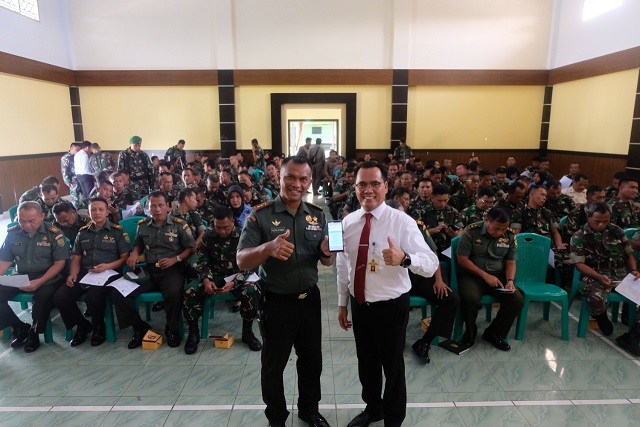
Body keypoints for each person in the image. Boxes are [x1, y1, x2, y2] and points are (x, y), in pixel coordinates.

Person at [336, 161, 438, 427]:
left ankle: (393, 418)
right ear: (354, 188)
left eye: (374, 184)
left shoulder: (402, 222)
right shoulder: (348, 222)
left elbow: (431, 263)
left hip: (391, 306)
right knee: (366, 362)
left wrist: (405, 259)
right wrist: (342, 303)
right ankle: (373, 409)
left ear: (386, 186)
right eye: (361, 184)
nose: (368, 190)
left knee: (392, 366)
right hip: (360, 305)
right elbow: (343, 265)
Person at [237, 156, 333, 427]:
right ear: (279, 178)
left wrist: (327, 254)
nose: (296, 184)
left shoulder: (317, 215)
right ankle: (277, 418)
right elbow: (241, 260)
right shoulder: (261, 215)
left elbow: (327, 261)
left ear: (310, 182)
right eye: (290, 177)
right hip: (276, 302)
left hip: (309, 299)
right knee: (273, 365)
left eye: (303, 179)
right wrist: (268, 248)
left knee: (312, 361)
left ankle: (309, 410)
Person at [114, 191, 196, 349]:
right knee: (118, 291)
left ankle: (171, 329)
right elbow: (138, 245)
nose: (157, 209)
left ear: (167, 206)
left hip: (173, 270)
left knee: (174, 293)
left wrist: (175, 259)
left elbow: (191, 248)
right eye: (153, 206)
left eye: (161, 205)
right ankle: (140, 328)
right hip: (149, 270)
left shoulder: (179, 224)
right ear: (148, 207)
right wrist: (134, 254)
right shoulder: (143, 225)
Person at [53, 198, 131, 346]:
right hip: (86, 273)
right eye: (93, 210)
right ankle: (82, 325)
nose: (97, 213)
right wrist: (73, 274)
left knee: (93, 297)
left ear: (107, 212)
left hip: (109, 273)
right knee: (60, 296)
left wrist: (107, 266)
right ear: (88, 213)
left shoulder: (117, 231)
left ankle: (99, 327)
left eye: (101, 209)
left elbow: (124, 258)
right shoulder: (82, 232)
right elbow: (76, 257)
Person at [184, 207, 262, 354]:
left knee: (251, 291)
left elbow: (249, 264)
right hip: (214, 276)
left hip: (236, 276)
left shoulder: (243, 235)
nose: (221, 231)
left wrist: (234, 283)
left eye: (225, 227)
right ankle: (193, 334)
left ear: (233, 222)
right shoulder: (208, 235)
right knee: (190, 291)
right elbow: (200, 260)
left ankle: (247, 333)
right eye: (218, 227)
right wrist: (206, 280)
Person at [0, 202, 69, 352]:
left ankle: (34, 332)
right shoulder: (13, 233)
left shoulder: (54, 234)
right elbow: (4, 262)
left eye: (31, 221)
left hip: (49, 278)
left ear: (42, 216)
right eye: (22, 220)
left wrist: (39, 281)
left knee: (42, 298)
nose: (26, 225)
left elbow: (59, 264)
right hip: (21, 276)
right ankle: (19, 327)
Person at [457, 207, 524, 351]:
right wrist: (485, 275)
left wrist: (510, 281)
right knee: (470, 298)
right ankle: (470, 331)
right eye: (496, 228)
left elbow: (511, 262)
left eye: (503, 229)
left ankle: (494, 333)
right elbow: (462, 259)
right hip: (473, 275)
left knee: (516, 300)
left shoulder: (510, 235)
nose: (499, 232)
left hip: (498, 275)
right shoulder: (471, 231)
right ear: (487, 220)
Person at [570, 202, 640, 335]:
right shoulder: (579, 236)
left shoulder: (617, 231)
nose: (601, 225)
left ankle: (635, 328)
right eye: (597, 221)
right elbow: (579, 264)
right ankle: (601, 316)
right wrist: (599, 277)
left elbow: (629, 255)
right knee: (596, 299)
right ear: (588, 216)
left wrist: (634, 271)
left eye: (606, 221)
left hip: (620, 275)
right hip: (594, 275)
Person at [61, 142, 81, 207]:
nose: (78, 152)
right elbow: (64, 170)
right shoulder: (66, 157)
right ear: (71, 149)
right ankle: (75, 209)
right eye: (76, 150)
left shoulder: (78, 156)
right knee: (75, 196)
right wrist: (67, 180)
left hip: (79, 177)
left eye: (79, 150)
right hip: (73, 179)